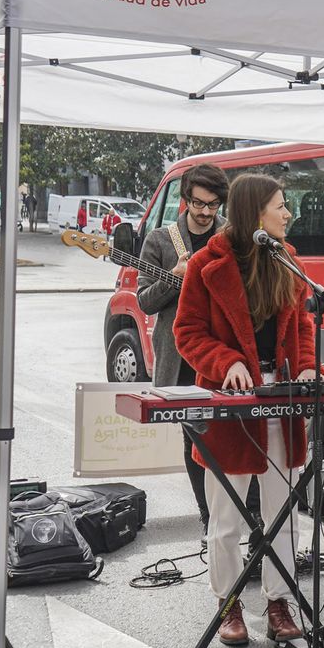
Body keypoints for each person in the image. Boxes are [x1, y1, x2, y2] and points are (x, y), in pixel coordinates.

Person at [172, 172, 315, 647]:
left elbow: (305, 329)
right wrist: (227, 361)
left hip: (283, 397)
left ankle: (278, 601)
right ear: (256, 213)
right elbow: (187, 333)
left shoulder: (287, 261)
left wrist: (309, 368)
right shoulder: (204, 264)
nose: (288, 212)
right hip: (231, 404)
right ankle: (229, 600)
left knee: (282, 513)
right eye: (281, 205)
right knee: (226, 518)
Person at [137, 164, 227, 532]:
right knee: (196, 437)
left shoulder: (230, 236)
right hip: (183, 355)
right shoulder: (160, 240)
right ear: (185, 199)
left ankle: (238, 514)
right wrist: (174, 278)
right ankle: (210, 518)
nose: (206, 212)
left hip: (225, 354)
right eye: (198, 203)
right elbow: (144, 301)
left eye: (213, 205)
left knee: (231, 436)